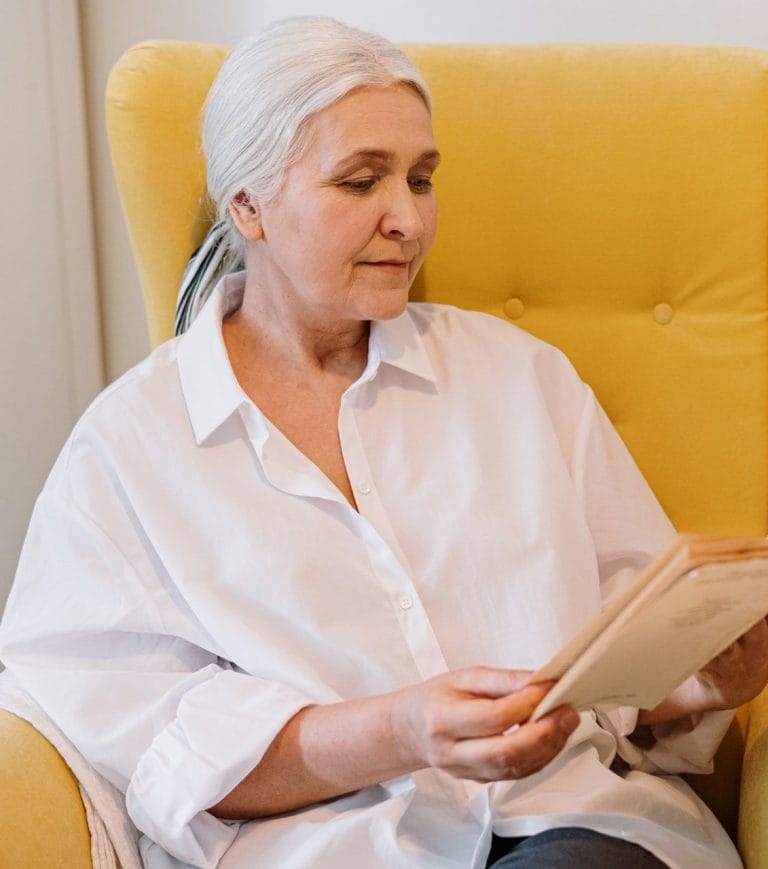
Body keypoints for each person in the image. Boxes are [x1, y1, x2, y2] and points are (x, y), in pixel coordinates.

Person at [1, 15, 767, 869]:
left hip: (573, 828)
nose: (407, 217)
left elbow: (628, 664)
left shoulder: (519, 378)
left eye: (422, 177)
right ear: (248, 205)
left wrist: (705, 682)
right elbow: (143, 747)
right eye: (361, 181)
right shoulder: (132, 445)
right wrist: (400, 730)